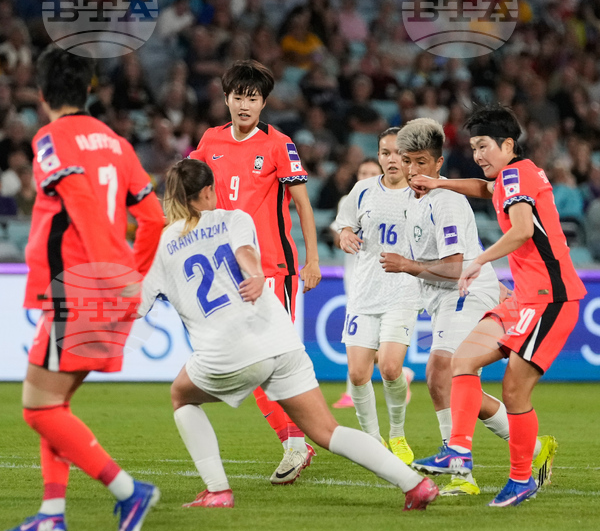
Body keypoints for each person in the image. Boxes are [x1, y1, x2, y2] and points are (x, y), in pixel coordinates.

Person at [139, 158, 438, 510]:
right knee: (327, 431)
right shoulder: (236, 218)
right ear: (207, 191)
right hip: (279, 340)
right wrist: (252, 275)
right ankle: (415, 485)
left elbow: (135, 305)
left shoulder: (162, 245)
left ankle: (217, 491)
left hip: (226, 350)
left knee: (182, 397)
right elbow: (246, 253)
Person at [0, 46, 165, 531]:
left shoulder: (50, 138)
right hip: (105, 286)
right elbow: (153, 218)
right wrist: (131, 271)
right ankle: (51, 516)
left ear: (42, 94)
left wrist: (113, 274)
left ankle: (128, 491)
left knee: (36, 408)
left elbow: (82, 203)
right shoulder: (117, 144)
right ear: (88, 90)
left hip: (80, 287)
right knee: (56, 405)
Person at [410, 105, 583, 506]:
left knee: (513, 391)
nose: (478, 155)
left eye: (484, 146)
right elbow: (484, 189)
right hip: (524, 297)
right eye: (473, 147)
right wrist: (440, 183)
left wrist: (480, 260)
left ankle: (522, 478)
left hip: (552, 299)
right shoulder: (509, 175)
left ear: (508, 144)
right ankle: (457, 450)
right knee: (462, 361)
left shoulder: (518, 175)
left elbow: (522, 230)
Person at [379, 118, 557, 496]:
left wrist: (408, 266)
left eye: (421, 162)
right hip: (442, 295)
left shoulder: (447, 202)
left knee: (442, 369)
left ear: (438, 162)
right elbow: (484, 187)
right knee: (456, 381)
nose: (413, 171)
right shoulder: (414, 200)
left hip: (465, 290)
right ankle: (535, 447)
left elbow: (456, 266)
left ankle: (462, 472)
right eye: (407, 161)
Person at [189, 60, 322, 485]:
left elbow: (302, 205)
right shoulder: (210, 140)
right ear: (226, 98)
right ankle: (297, 441)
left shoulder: (280, 144)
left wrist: (312, 259)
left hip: (271, 269)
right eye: (238, 96)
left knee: (269, 359)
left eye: (253, 97)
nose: (245, 104)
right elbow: (190, 189)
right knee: (247, 364)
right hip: (224, 271)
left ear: (264, 102)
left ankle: (299, 441)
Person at [332, 128, 418, 463]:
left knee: (392, 368)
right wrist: (346, 235)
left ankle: (396, 433)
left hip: (402, 292)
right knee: (356, 373)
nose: (391, 159)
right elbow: (345, 226)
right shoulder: (362, 190)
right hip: (365, 292)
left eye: (398, 153)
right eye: (385, 152)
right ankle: (371, 439)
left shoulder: (421, 193)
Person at [331, 158, 382, 409]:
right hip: (355, 280)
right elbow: (337, 230)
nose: (367, 176)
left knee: (363, 339)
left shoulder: (389, 199)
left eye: (373, 172)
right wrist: (343, 234)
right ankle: (396, 371)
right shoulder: (348, 200)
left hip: (383, 280)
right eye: (363, 171)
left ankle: (353, 392)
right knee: (361, 339)